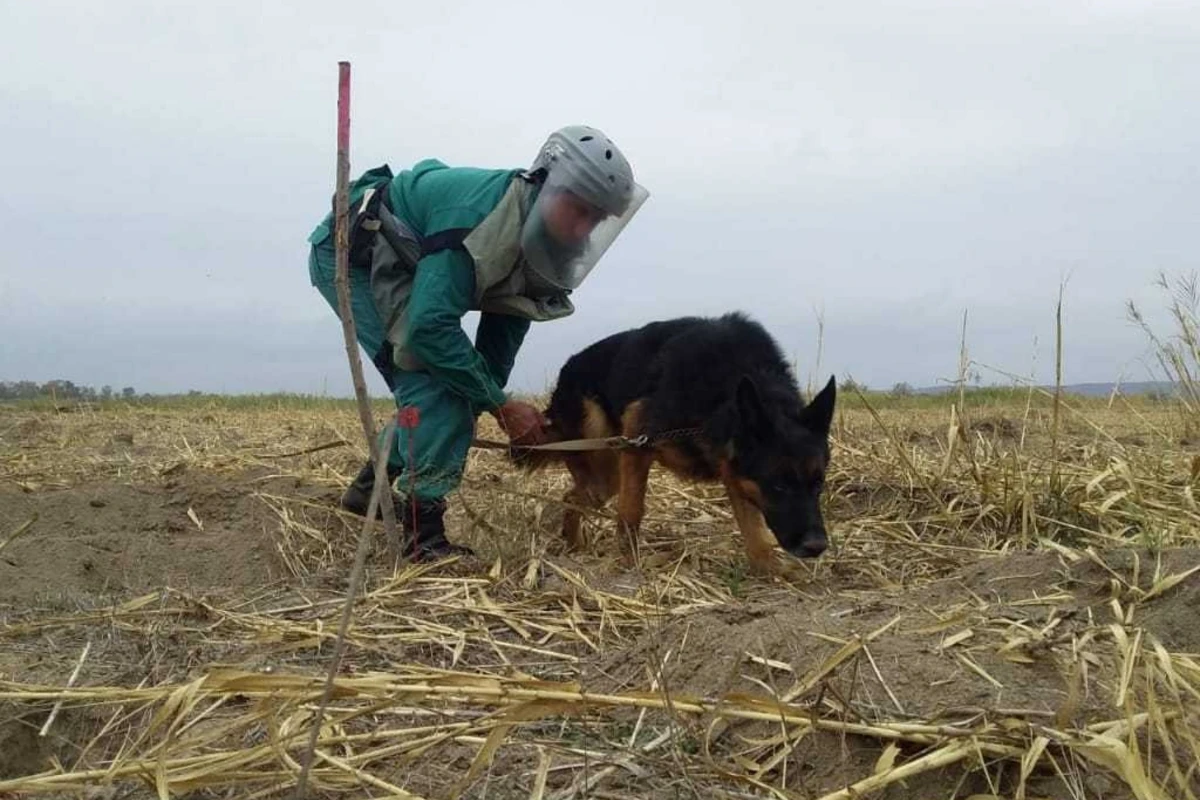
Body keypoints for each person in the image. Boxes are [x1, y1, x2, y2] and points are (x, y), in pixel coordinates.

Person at [306, 125, 648, 560]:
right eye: (578, 210)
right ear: (546, 183)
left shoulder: (552, 243)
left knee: (462, 390)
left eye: (596, 219)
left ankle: (368, 490)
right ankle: (421, 537)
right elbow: (428, 329)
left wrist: (490, 396)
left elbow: (507, 325)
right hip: (355, 256)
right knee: (434, 389)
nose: (583, 228)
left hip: (413, 264)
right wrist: (500, 404)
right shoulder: (481, 217)